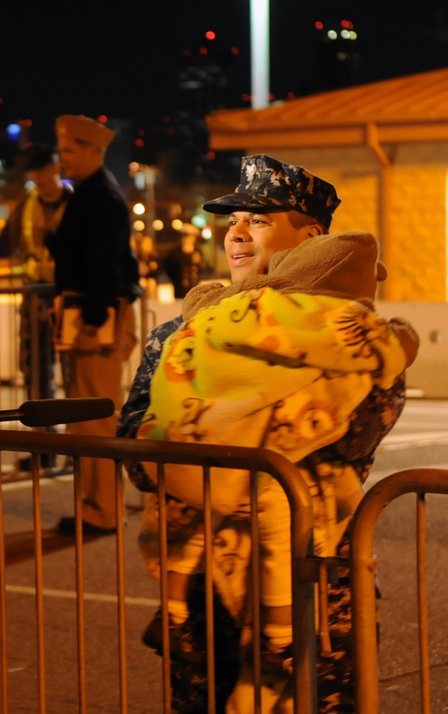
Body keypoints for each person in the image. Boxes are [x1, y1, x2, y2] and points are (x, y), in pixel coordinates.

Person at [118, 154, 412, 713]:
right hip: (204, 599)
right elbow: (137, 445)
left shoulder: (354, 338)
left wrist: (203, 428)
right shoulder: (179, 331)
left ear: (311, 237)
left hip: (313, 589)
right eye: (231, 221)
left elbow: (348, 438)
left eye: (258, 219)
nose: (236, 232)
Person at [47, 114, 142, 536]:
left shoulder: (99, 197)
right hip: (96, 313)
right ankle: (94, 506)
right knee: (86, 415)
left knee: (94, 416)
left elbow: (103, 266)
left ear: (93, 151)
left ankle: (101, 511)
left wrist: (92, 317)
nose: (62, 159)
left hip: (97, 316)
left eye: (69, 150)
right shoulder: (94, 193)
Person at [0, 143, 71, 469]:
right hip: (35, 297)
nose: (38, 178)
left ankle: (80, 449)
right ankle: (46, 445)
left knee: (73, 374)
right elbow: (2, 247)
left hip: (67, 297)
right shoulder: (27, 203)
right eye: (34, 172)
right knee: (36, 373)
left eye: (42, 170)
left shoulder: (77, 202)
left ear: (56, 168)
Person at [162, 223, 209, 298]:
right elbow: (168, 267)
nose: (184, 239)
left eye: (187, 236)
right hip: (179, 288)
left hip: (194, 287)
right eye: (183, 236)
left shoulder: (197, 251)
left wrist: (199, 262)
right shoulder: (175, 252)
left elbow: (204, 268)